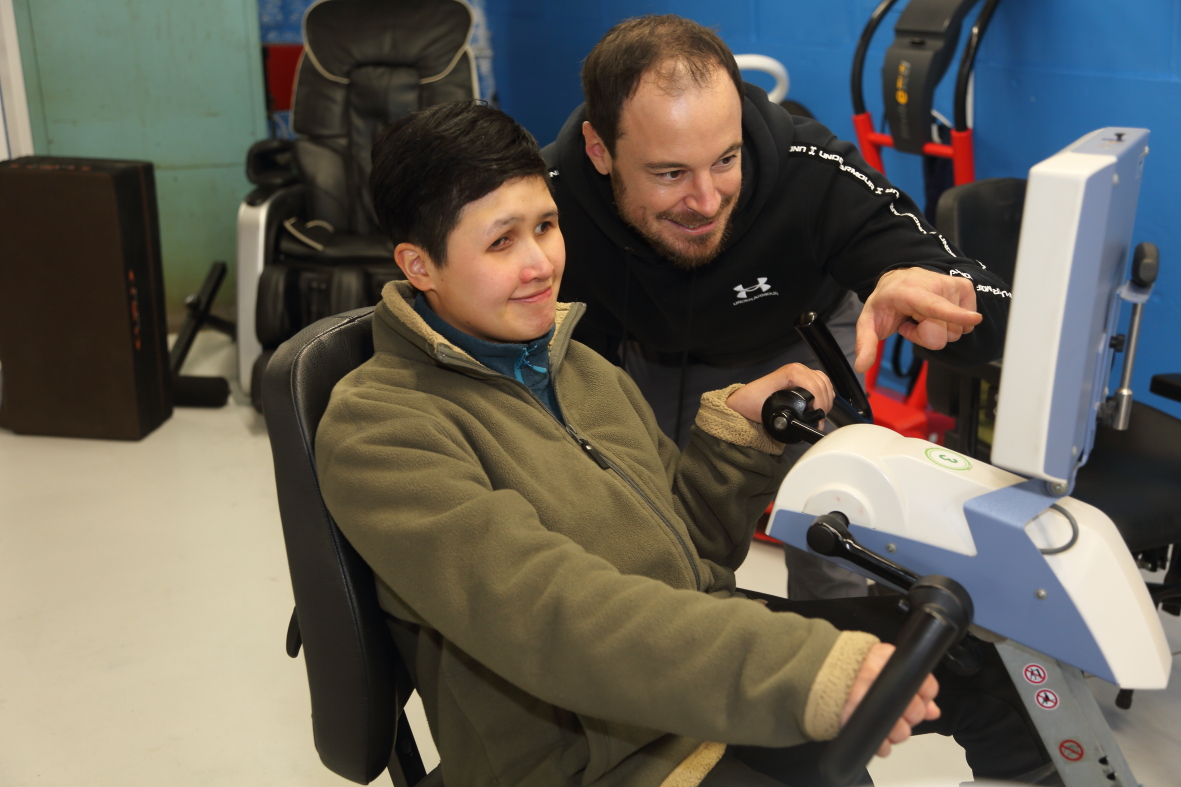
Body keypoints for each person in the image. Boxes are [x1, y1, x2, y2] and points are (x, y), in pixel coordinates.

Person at [317, 100, 1056, 787]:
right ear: (419, 266)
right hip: (597, 756)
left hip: (685, 685)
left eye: (544, 226)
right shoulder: (381, 429)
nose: (540, 263)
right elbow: (556, 615)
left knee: (994, 672)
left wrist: (734, 429)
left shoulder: (574, 362)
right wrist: (802, 668)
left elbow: (686, 547)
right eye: (501, 242)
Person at [541, 15, 1014, 601]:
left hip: (805, 343)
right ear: (599, 150)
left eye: (724, 159)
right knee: (657, 541)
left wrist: (943, 296)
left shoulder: (809, 168)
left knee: (837, 534)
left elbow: (992, 303)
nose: (707, 201)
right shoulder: (550, 202)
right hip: (653, 357)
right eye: (670, 173)